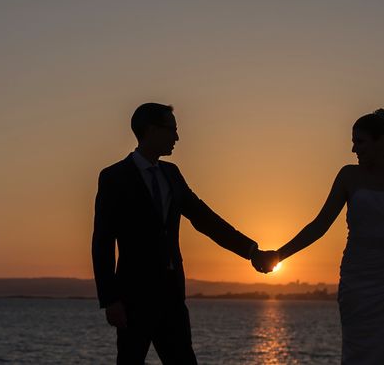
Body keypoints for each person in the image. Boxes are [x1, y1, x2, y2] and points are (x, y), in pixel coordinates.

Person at [92, 103, 277, 364]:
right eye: (172, 130)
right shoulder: (114, 177)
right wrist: (110, 299)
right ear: (151, 130)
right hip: (133, 298)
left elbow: (205, 219)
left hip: (172, 296)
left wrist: (251, 252)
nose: (177, 137)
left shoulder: (172, 174)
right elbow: (102, 242)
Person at [254, 108, 384, 364]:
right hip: (358, 283)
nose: (353, 149)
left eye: (359, 141)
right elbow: (320, 225)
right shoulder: (349, 176)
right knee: (360, 355)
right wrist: (279, 255)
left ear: (382, 141)